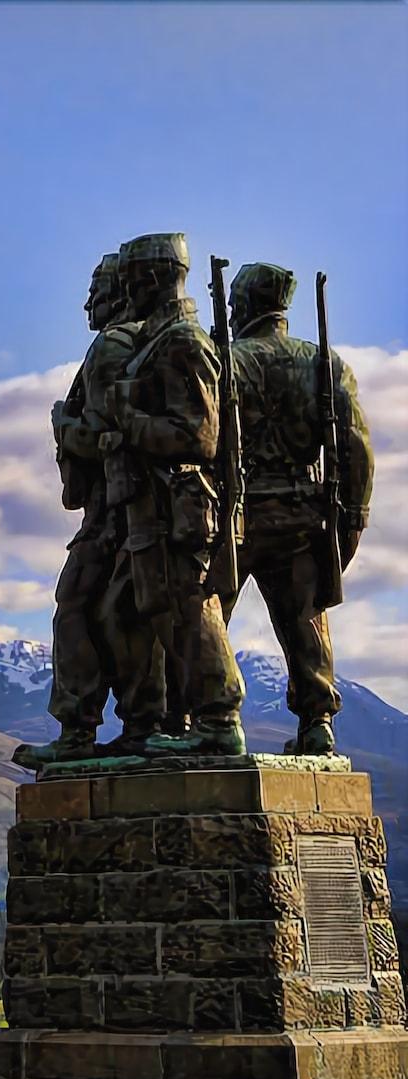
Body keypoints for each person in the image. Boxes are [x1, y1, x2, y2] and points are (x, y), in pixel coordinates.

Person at [100, 232, 244, 757]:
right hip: (148, 507)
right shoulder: (156, 342)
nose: (126, 291)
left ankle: (219, 720)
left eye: (133, 281)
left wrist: (128, 421)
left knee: (190, 610)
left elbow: (198, 437)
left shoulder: (182, 342)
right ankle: (146, 723)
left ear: (156, 278)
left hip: (177, 505)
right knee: (124, 613)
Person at [224, 262, 373, 754]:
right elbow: (355, 449)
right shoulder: (324, 365)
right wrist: (352, 517)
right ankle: (317, 722)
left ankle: (204, 715)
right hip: (303, 512)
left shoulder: (226, 362)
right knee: (306, 622)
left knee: (203, 618)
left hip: (236, 515)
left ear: (244, 304)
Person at [14, 254, 139, 769]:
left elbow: (106, 432)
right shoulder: (144, 344)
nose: (89, 302)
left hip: (114, 510)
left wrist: (62, 426)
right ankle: (139, 724)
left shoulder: (112, 347)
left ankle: (78, 730)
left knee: (76, 608)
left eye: (98, 290)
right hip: (128, 508)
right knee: (122, 617)